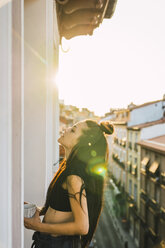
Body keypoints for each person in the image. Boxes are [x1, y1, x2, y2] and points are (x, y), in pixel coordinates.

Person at [24, 119, 114, 248]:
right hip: (50, 241)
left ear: (83, 143)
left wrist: (38, 226)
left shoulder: (74, 178)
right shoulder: (68, 169)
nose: (66, 129)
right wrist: (37, 210)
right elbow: (60, 208)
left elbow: (82, 227)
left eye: (73, 130)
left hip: (57, 244)